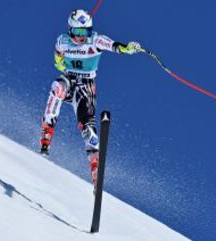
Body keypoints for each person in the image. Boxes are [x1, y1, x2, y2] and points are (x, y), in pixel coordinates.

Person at [40, 9, 141, 187]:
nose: (82, 37)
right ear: (70, 30)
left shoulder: (95, 40)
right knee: (57, 87)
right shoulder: (62, 41)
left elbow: (114, 46)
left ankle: (95, 165)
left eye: (85, 32)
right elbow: (57, 61)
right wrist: (60, 63)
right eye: (78, 33)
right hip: (69, 79)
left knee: (87, 127)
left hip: (86, 86)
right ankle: (46, 137)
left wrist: (128, 48)